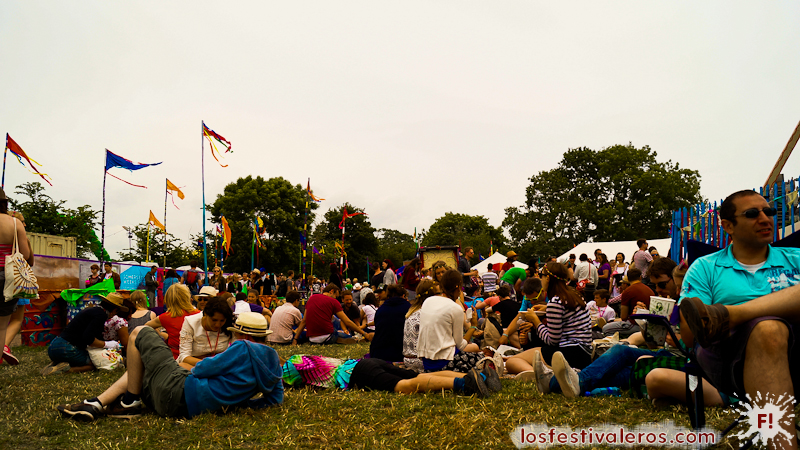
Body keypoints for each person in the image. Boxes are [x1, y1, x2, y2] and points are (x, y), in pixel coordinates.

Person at [674, 190, 800, 448]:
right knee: (768, 330)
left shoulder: (796, 258)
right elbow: (689, 335)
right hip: (729, 359)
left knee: (768, 328)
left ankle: (731, 314)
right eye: (752, 214)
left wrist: (730, 314)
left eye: (769, 212)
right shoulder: (706, 267)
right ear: (728, 226)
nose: (765, 219)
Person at [56, 312, 283, 421]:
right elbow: (274, 400)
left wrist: (193, 367)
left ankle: (128, 402)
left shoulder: (242, 347)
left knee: (140, 332)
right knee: (139, 368)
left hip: (178, 389)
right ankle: (98, 404)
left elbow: (203, 370)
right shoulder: (274, 367)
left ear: (242, 334)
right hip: (176, 408)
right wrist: (236, 402)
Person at [507, 262, 592, 373]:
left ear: (547, 278)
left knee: (512, 362)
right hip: (584, 354)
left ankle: (542, 375)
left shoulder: (555, 302)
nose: (540, 278)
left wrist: (536, 321)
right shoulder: (574, 295)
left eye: (541, 275)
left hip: (567, 354)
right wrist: (546, 309)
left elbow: (552, 341)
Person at [42, 292, 128, 375]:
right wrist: (109, 344)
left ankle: (56, 364)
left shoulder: (92, 311)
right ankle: (65, 371)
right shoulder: (101, 316)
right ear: (114, 310)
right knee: (95, 364)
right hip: (66, 348)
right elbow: (89, 339)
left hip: (54, 346)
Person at [417, 269, 481, 373]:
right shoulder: (455, 308)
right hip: (444, 362)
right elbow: (460, 345)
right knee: (480, 360)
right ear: (458, 287)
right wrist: (473, 326)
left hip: (427, 363)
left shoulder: (428, 301)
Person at [292, 284, 373, 345]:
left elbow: (304, 321)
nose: (335, 298)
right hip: (328, 336)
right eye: (335, 296)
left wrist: (295, 339)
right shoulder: (333, 301)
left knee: (334, 319)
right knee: (344, 331)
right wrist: (364, 333)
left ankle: (341, 335)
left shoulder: (312, 298)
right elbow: (347, 322)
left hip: (312, 339)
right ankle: (346, 337)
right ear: (331, 291)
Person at [177, 297, 233, 369]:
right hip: (195, 365)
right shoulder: (191, 322)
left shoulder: (230, 324)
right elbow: (184, 356)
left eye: (222, 321)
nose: (218, 325)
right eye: (214, 320)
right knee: (182, 366)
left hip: (219, 366)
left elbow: (236, 351)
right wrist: (208, 364)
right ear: (205, 314)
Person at [601, 267, 653, 338]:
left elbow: (623, 317)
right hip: (648, 324)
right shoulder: (650, 290)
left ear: (628, 279)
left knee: (605, 328)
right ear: (640, 277)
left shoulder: (628, 291)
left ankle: (614, 343)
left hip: (635, 324)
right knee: (614, 321)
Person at [403, 279, 440, 373]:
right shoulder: (428, 314)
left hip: (409, 359)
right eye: (439, 293)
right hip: (422, 362)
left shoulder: (413, 312)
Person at [369, 284, 411, 362]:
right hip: (401, 354)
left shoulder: (380, 310)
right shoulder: (409, 309)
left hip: (378, 354)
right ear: (403, 295)